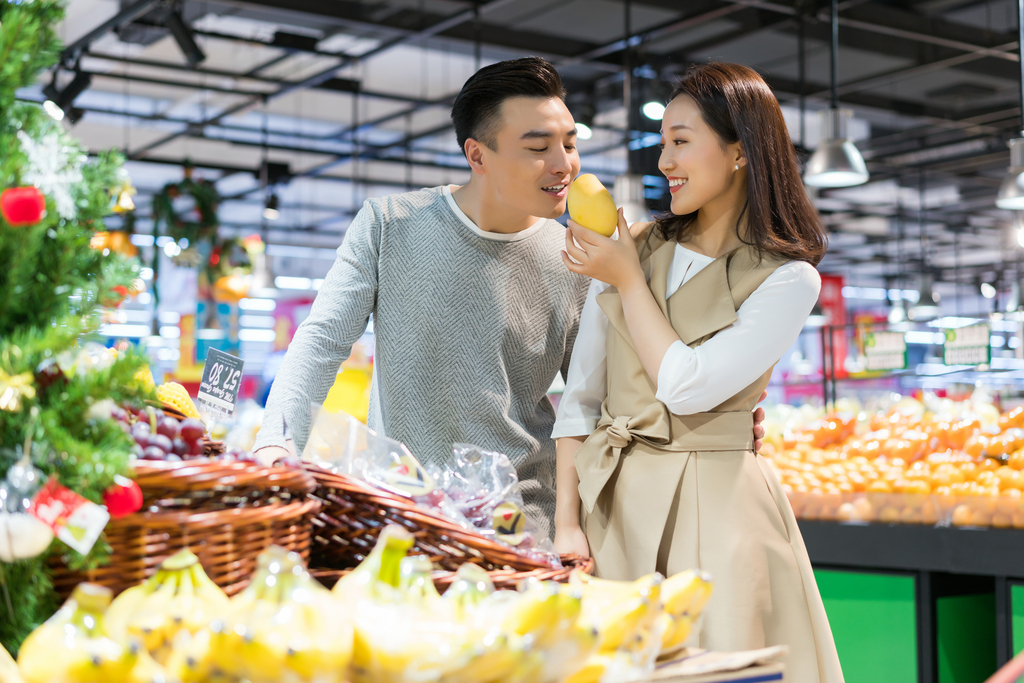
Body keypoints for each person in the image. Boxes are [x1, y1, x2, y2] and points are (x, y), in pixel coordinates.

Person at [254, 56, 767, 539]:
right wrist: (275, 442)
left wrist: (713, 420)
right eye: (538, 147)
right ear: (478, 155)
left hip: (525, 523)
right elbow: (321, 342)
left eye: (569, 142)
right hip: (404, 511)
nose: (563, 164)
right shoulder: (390, 226)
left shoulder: (581, 258)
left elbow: (600, 397)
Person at [551, 62, 844, 682]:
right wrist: (568, 522)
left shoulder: (786, 277)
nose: (665, 162)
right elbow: (581, 397)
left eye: (681, 141)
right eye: (663, 144)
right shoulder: (638, 243)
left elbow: (687, 387)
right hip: (613, 506)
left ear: (739, 150)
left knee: (719, 662)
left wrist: (628, 280)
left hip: (720, 512)